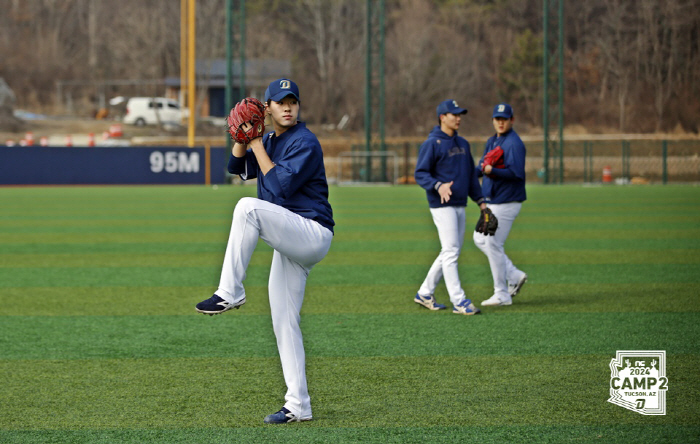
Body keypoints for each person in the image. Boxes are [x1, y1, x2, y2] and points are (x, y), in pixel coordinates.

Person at [195, 78, 334, 424]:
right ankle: (298, 404)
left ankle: (231, 291)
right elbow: (237, 169)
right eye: (280, 101)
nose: (288, 107)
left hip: (311, 232)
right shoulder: (269, 139)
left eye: (293, 101)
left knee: (247, 208)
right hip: (291, 239)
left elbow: (279, 187)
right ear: (267, 108)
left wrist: (255, 141)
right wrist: (242, 140)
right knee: (284, 322)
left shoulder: (305, 141)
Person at [413, 99, 487, 315]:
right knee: (452, 250)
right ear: (442, 117)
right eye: (453, 114)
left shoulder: (463, 144)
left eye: (459, 114)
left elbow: (471, 177)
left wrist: (481, 202)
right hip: (441, 204)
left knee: (450, 250)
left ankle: (425, 292)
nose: (458, 118)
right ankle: (459, 300)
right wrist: (438, 185)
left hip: (460, 203)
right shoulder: (432, 143)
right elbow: (421, 173)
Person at [473, 103, 528, 306]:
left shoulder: (514, 143)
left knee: (493, 243)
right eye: (497, 119)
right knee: (479, 238)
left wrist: (491, 171)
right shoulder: (492, 141)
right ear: (493, 121)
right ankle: (513, 275)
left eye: (504, 119)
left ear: (512, 120)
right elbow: (482, 167)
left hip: (507, 201)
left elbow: (516, 174)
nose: (501, 122)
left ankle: (502, 294)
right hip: (494, 200)